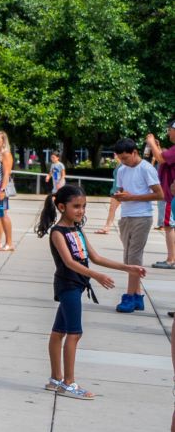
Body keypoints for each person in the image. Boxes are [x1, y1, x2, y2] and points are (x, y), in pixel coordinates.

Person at [37, 183, 144, 399]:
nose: (81, 211)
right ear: (60, 207)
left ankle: (55, 380)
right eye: (76, 206)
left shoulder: (77, 230)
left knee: (59, 332)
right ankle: (68, 383)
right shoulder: (58, 233)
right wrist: (96, 275)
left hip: (76, 286)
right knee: (74, 334)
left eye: (83, 206)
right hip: (68, 285)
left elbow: (95, 257)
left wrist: (127, 267)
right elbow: (68, 262)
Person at [108, 138, 162, 313]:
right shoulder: (122, 170)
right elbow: (123, 190)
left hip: (142, 217)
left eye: (126, 157)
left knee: (134, 258)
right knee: (128, 258)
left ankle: (129, 296)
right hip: (126, 217)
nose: (123, 161)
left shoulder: (146, 168)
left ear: (135, 152)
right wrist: (120, 196)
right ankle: (137, 296)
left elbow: (159, 194)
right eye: (120, 158)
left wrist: (133, 197)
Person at [146, 125, 175, 269]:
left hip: (171, 195)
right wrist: (156, 148)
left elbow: (160, 158)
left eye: (170, 130)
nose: (169, 132)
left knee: (169, 225)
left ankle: (171, 259)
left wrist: (151, 142)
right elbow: (162, 158)